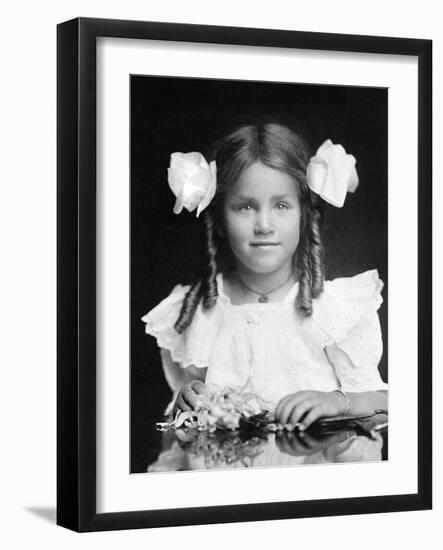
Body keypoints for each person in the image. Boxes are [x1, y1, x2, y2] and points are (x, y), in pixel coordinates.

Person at [141, 117, 388, 431]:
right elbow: (183, 428)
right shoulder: (199, 315)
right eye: (246, 206)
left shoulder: (334, 312)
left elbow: (384, 403)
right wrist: (185, 403)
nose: (264, 224)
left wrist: (338, 401)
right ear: (218, 218)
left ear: (304, 214)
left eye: (282, 205)